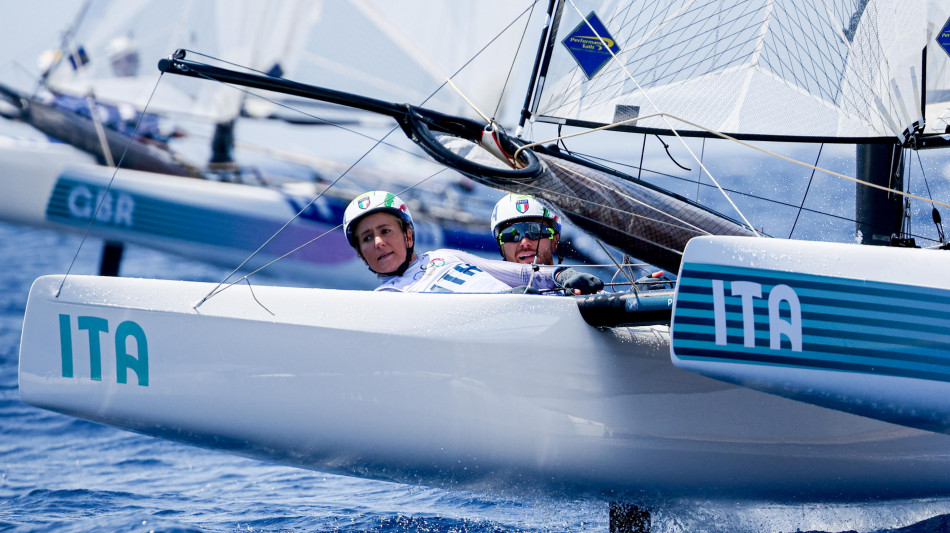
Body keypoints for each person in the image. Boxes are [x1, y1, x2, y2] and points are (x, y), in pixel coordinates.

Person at [342, 190, 602, 294]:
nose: (378, 242)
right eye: (366, 238)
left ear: (409, 236)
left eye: (385, 231)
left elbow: (519, 273)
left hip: (533, 310)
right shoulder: (384, 298)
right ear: (361, 254)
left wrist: (561, 274)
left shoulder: (444, 256)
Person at [490, 193, 604, 294]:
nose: (524, 242)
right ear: (501, 246)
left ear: (555, 240)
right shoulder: (485, 293)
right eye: (510, 234)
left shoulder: (588, 295)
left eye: (537, 231)